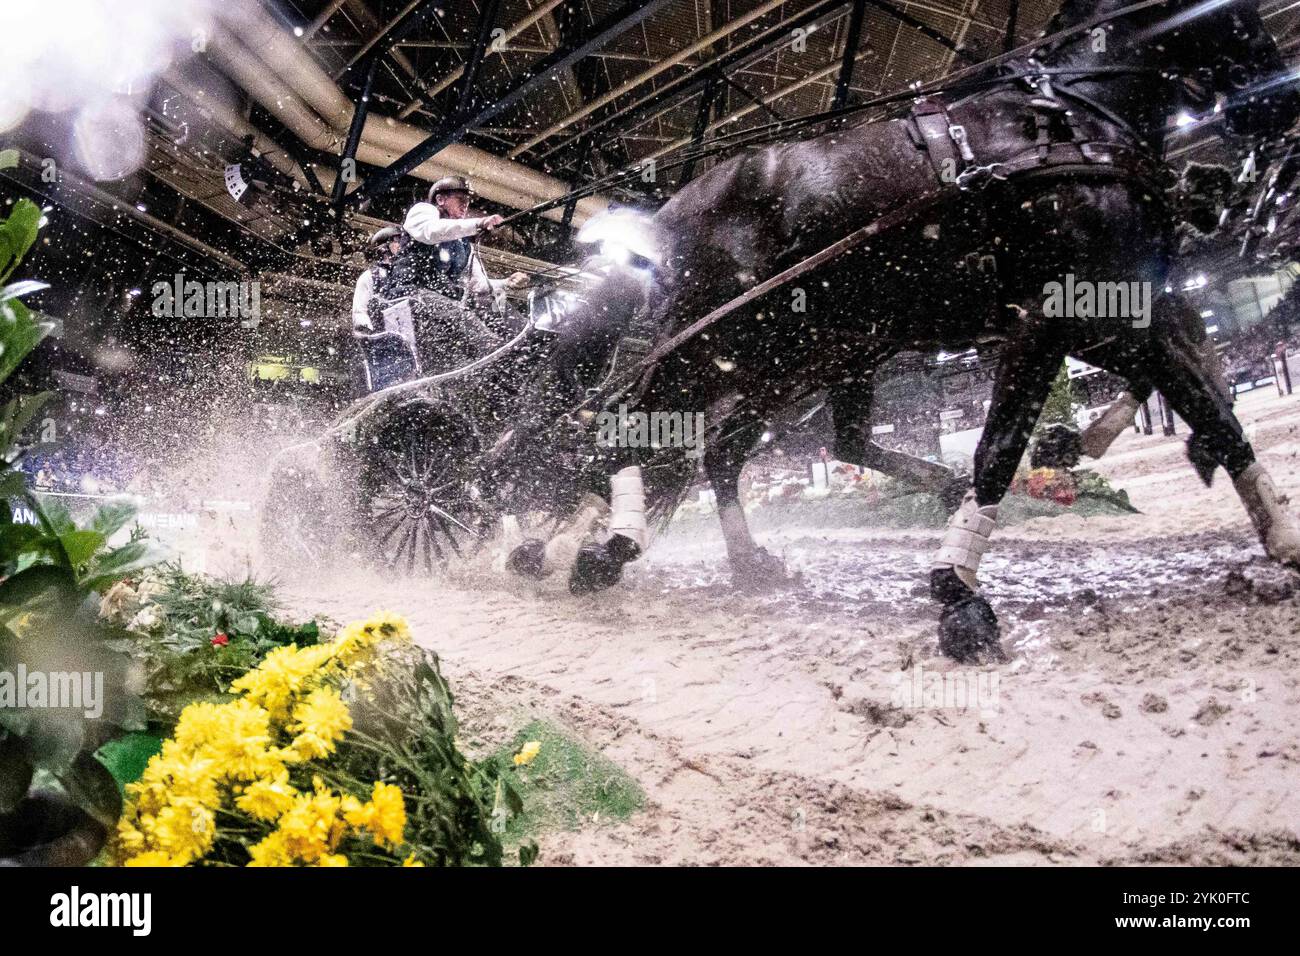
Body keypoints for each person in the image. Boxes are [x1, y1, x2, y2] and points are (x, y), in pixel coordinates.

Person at [393, 176, 530, 372]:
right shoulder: (424, 212)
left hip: (440, 299)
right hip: (409, 293)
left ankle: (524, 338)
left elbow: (478, 285)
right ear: (440, 199)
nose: (465, 206)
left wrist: (506, 283)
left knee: (493, 301)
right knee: (459, 314)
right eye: (460, 200)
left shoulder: (464, 243)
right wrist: (479, 223)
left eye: (468, 202)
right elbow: (431, 232)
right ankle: (493, 351)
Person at [353, 226, 420, 391]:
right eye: (397, 241)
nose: (401, 245)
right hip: (384, 336)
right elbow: (360, 310)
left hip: (409, 332)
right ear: (383, 247)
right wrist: (366, 330)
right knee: (390, 375)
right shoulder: (370, 276)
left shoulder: (409, 274)